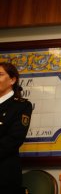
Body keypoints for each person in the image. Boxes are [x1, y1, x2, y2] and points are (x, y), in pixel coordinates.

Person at [0, 62, 33, 193]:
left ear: (12, 80)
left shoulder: (21, 106)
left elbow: (14, 139)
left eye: (0, 75)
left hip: (4, 174)